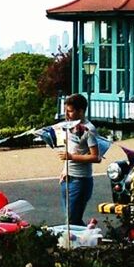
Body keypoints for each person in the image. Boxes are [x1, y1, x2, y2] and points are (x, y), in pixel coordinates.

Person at [57, 93, 100, 226]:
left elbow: (96, 157)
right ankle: (88, 236)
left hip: (80, 180)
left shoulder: (89, 129)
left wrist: (71, 157)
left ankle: (88, 239)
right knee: (72, 219)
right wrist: (65, 170)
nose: (66, 114)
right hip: (67, 177)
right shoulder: (69, 126)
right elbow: (71, 148)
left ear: (80, 111)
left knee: (71, 221)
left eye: (70, 111)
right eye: (65, 111)